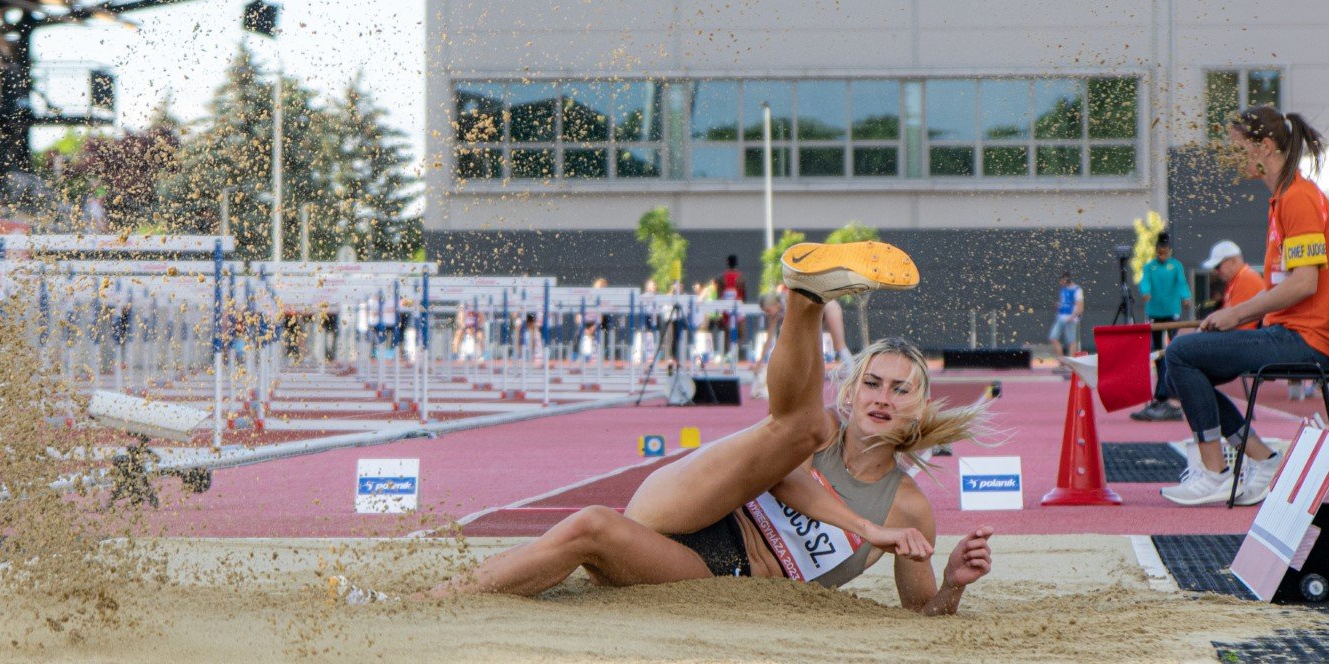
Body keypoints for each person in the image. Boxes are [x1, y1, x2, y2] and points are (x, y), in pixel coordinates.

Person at [407, 241, 994, 610]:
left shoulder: (910, 510)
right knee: (801, 430)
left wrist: (954, 583)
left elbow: (922, 612)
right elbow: (787, 482)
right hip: (699, 508)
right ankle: (804, 300)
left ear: (921, 407)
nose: (882, 398)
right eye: (871, 382)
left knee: (591, 526)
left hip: (724, 571)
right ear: (850, 389)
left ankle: (805, 298)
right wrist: (868, 527)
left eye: (900, 389)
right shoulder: (825, 441)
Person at [1159, 106, 1329, 506]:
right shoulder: (1285, 197)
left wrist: (1236, 314)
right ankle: (1263, 460)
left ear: (1265, 146)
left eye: (1240, 149)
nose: (1233, 158)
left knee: (1180, 353)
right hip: (1288, 333)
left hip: (1303, 340)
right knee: (1176, 370)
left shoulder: (1298, 198)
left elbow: (1305, 282)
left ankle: (1215, 472)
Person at [1130, 232, 1191, 422]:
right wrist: (1146, 291)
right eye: (1159, 252)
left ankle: (1169, 390)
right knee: (1157, 352)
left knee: (1172, 349)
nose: (1162, 255)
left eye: (1165, 252)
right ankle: (1162, 385)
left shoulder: (1176, 266)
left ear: (1169, 250)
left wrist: (1185, 296)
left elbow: (1181, 282)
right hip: (1155, 311)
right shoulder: (1150, 267)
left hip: (1171, 310)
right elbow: (1145, 282)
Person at [1201, 241, 1265, 331]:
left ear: (1233, 261)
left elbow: (1242, 327)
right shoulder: (1237, 280)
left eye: (1217, 266)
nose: (1216, 271)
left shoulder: (1246, 279)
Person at [1048, 271, 1084, 358]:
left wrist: (1072, 317)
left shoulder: (1077, 290)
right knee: (1053, 337)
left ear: (1066, 279)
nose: (1061, 282)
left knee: (1071, 340)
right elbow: (1063, 302)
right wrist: (1059, 306)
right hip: (1061, 316)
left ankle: (1071, 360)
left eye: (1062, 280)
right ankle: (1062, 360)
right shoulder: (1063, 290)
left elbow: (1080, 306)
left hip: (1070, 318)